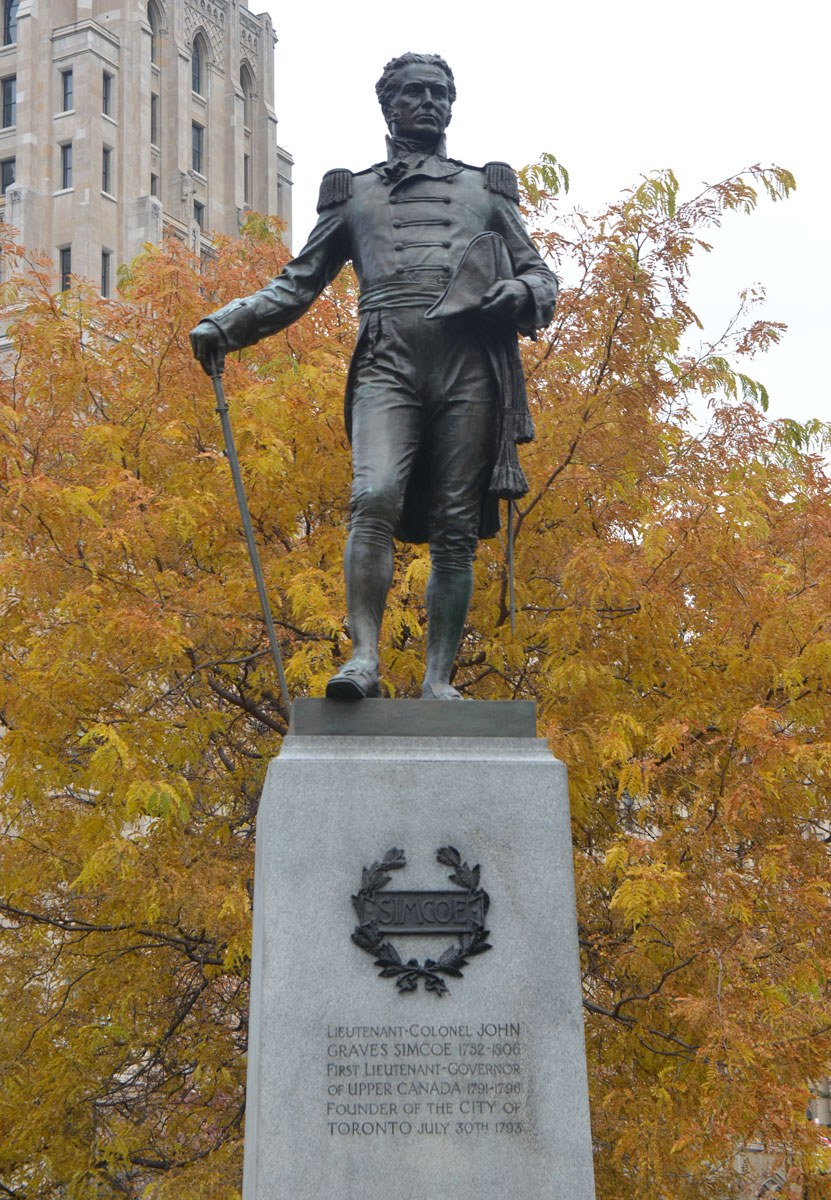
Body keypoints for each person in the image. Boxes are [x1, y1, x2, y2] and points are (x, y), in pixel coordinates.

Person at [190, 52, 558, 700]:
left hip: (467, 366)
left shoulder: (484, 190)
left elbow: (539, 277)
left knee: (454, 525)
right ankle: (362, 657)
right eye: (414, 92)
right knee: (374, 496)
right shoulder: (353, 193)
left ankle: (438, 680)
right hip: (388, 360)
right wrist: (226, 323)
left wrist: (519, 295)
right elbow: (296, 284)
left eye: (439, 92)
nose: (428, 102)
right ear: (388, 105)